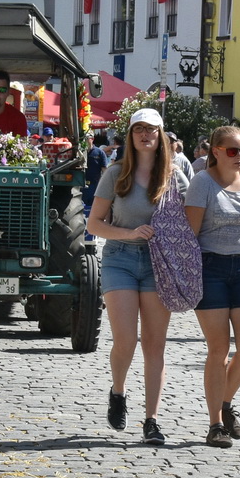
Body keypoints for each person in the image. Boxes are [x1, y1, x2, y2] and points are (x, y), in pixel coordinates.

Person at [87, 109, 176, 445]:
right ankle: (118, 390)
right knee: (126, 340)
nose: (144, 135)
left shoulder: (174, 175)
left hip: (158, 264)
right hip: (120, 259)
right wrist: (129, 234)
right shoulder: (115, 174)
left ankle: (151, 420)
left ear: (161, 135)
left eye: (151, 129)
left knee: (155, 345)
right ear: (130, 136)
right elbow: (94, 224)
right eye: (138, 129)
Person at [186, 124, 240, 448]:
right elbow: (190, 236)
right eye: (233, 150)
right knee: (219, 349)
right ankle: (215, 425)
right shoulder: (202, 183)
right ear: (217, 152)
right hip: (210, 268)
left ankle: (225, 403)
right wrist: (186, 278)